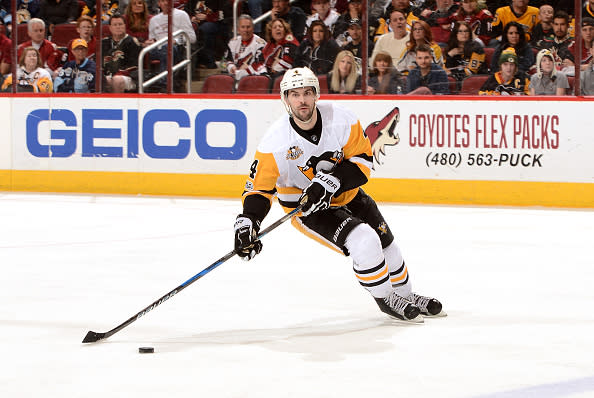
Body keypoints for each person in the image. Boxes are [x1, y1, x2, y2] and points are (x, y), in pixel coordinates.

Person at [233, 66, 445, 323]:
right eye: (295, 94)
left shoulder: (342, 119)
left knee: (388, 245)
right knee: (365, 240)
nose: (302, 100)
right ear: (285, 98)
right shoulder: (275, 142)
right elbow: (258, 189)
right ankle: (386, 298)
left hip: (347, 193)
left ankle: (406, 295)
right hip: (308, 208)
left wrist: (331, 182)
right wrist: (248, 222)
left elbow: (363, 163)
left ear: (316, 94)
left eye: (307, 93)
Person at [148, 0, 196, 74]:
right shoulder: (153, 20)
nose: (166, 3)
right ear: (159, 3)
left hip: (176, 49)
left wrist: (176, 41)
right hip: (158, 50)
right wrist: (149, 42)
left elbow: (192, 38)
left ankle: (163, 81)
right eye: (163, 1)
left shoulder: (182, 15)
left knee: (167, 48)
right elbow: (151, 40)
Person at [102, 14, 142, 92]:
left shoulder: (132, 42)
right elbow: (99, 63)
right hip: (108, 75)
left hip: (129, 77)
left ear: (125, 26)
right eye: (115, 25)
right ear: (110, 28)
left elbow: (135, 65)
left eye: (120, 24)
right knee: (104, 79)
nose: (118, 27)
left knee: (117, 80)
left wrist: (117, 74)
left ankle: (118, 104)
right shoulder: (104, 42)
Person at [224, 14, 267, 81]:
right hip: (234, 78)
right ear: (238, 29)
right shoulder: (232, 42)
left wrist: (242, 72)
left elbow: (260, 64)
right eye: (243, 27)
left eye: (248, 27)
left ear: (253, 28)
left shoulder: (260, 44)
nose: (245, 30)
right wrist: (231, 66)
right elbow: (225, 61)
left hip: (252, 79)